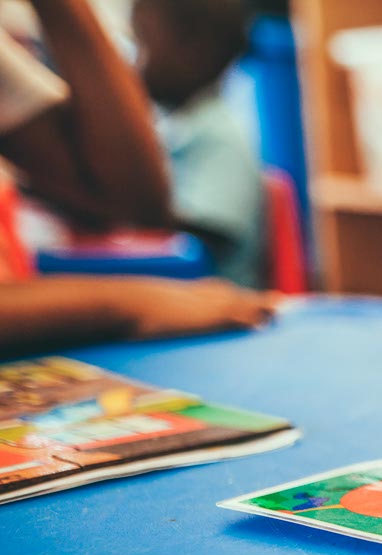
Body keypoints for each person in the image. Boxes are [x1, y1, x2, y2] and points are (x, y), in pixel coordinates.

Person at [0, 0, 271, 352]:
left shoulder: (217, 132)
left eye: (140, 43)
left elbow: (135, 205)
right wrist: (133, 303)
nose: (135, 64)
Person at [131, 0, 264, 288]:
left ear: (192, 55)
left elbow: (200, 244)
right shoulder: (175, 127)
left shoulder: (222, 137)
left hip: (219, 309)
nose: (134, 63)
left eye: (143, 44)